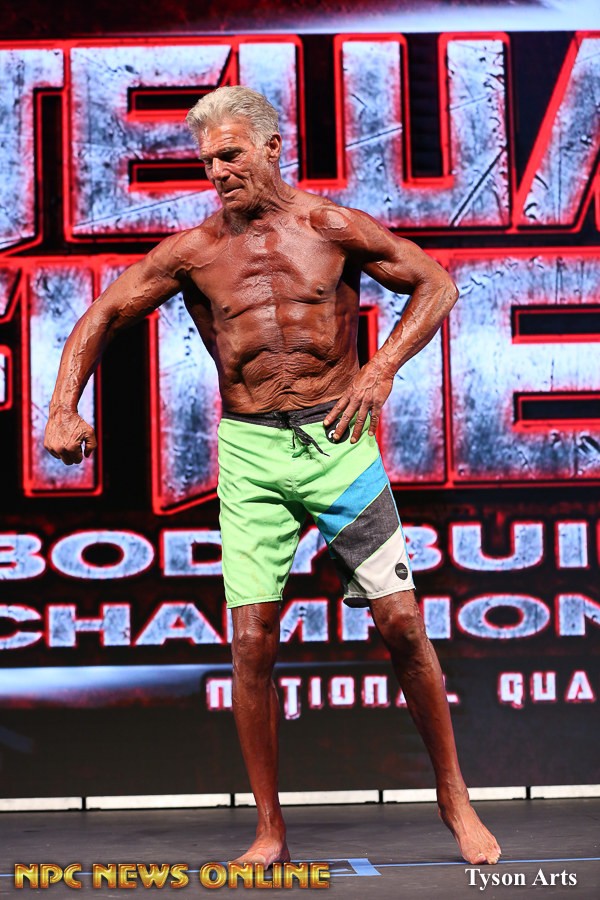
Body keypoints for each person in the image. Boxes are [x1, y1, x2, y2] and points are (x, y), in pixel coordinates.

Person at [44, 85, 501, 867]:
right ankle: (269, 829)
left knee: (400, 623)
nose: (218, 171)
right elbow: (103, 315)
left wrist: (381, 369)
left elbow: (436, 283)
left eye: (230, 155)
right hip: (251, 454)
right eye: (207, 161)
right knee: (252, 642)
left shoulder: (330, 227)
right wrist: (61, 407)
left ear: (270, 148)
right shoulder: (193, 252)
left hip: (339, 445)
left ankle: (454, 796)